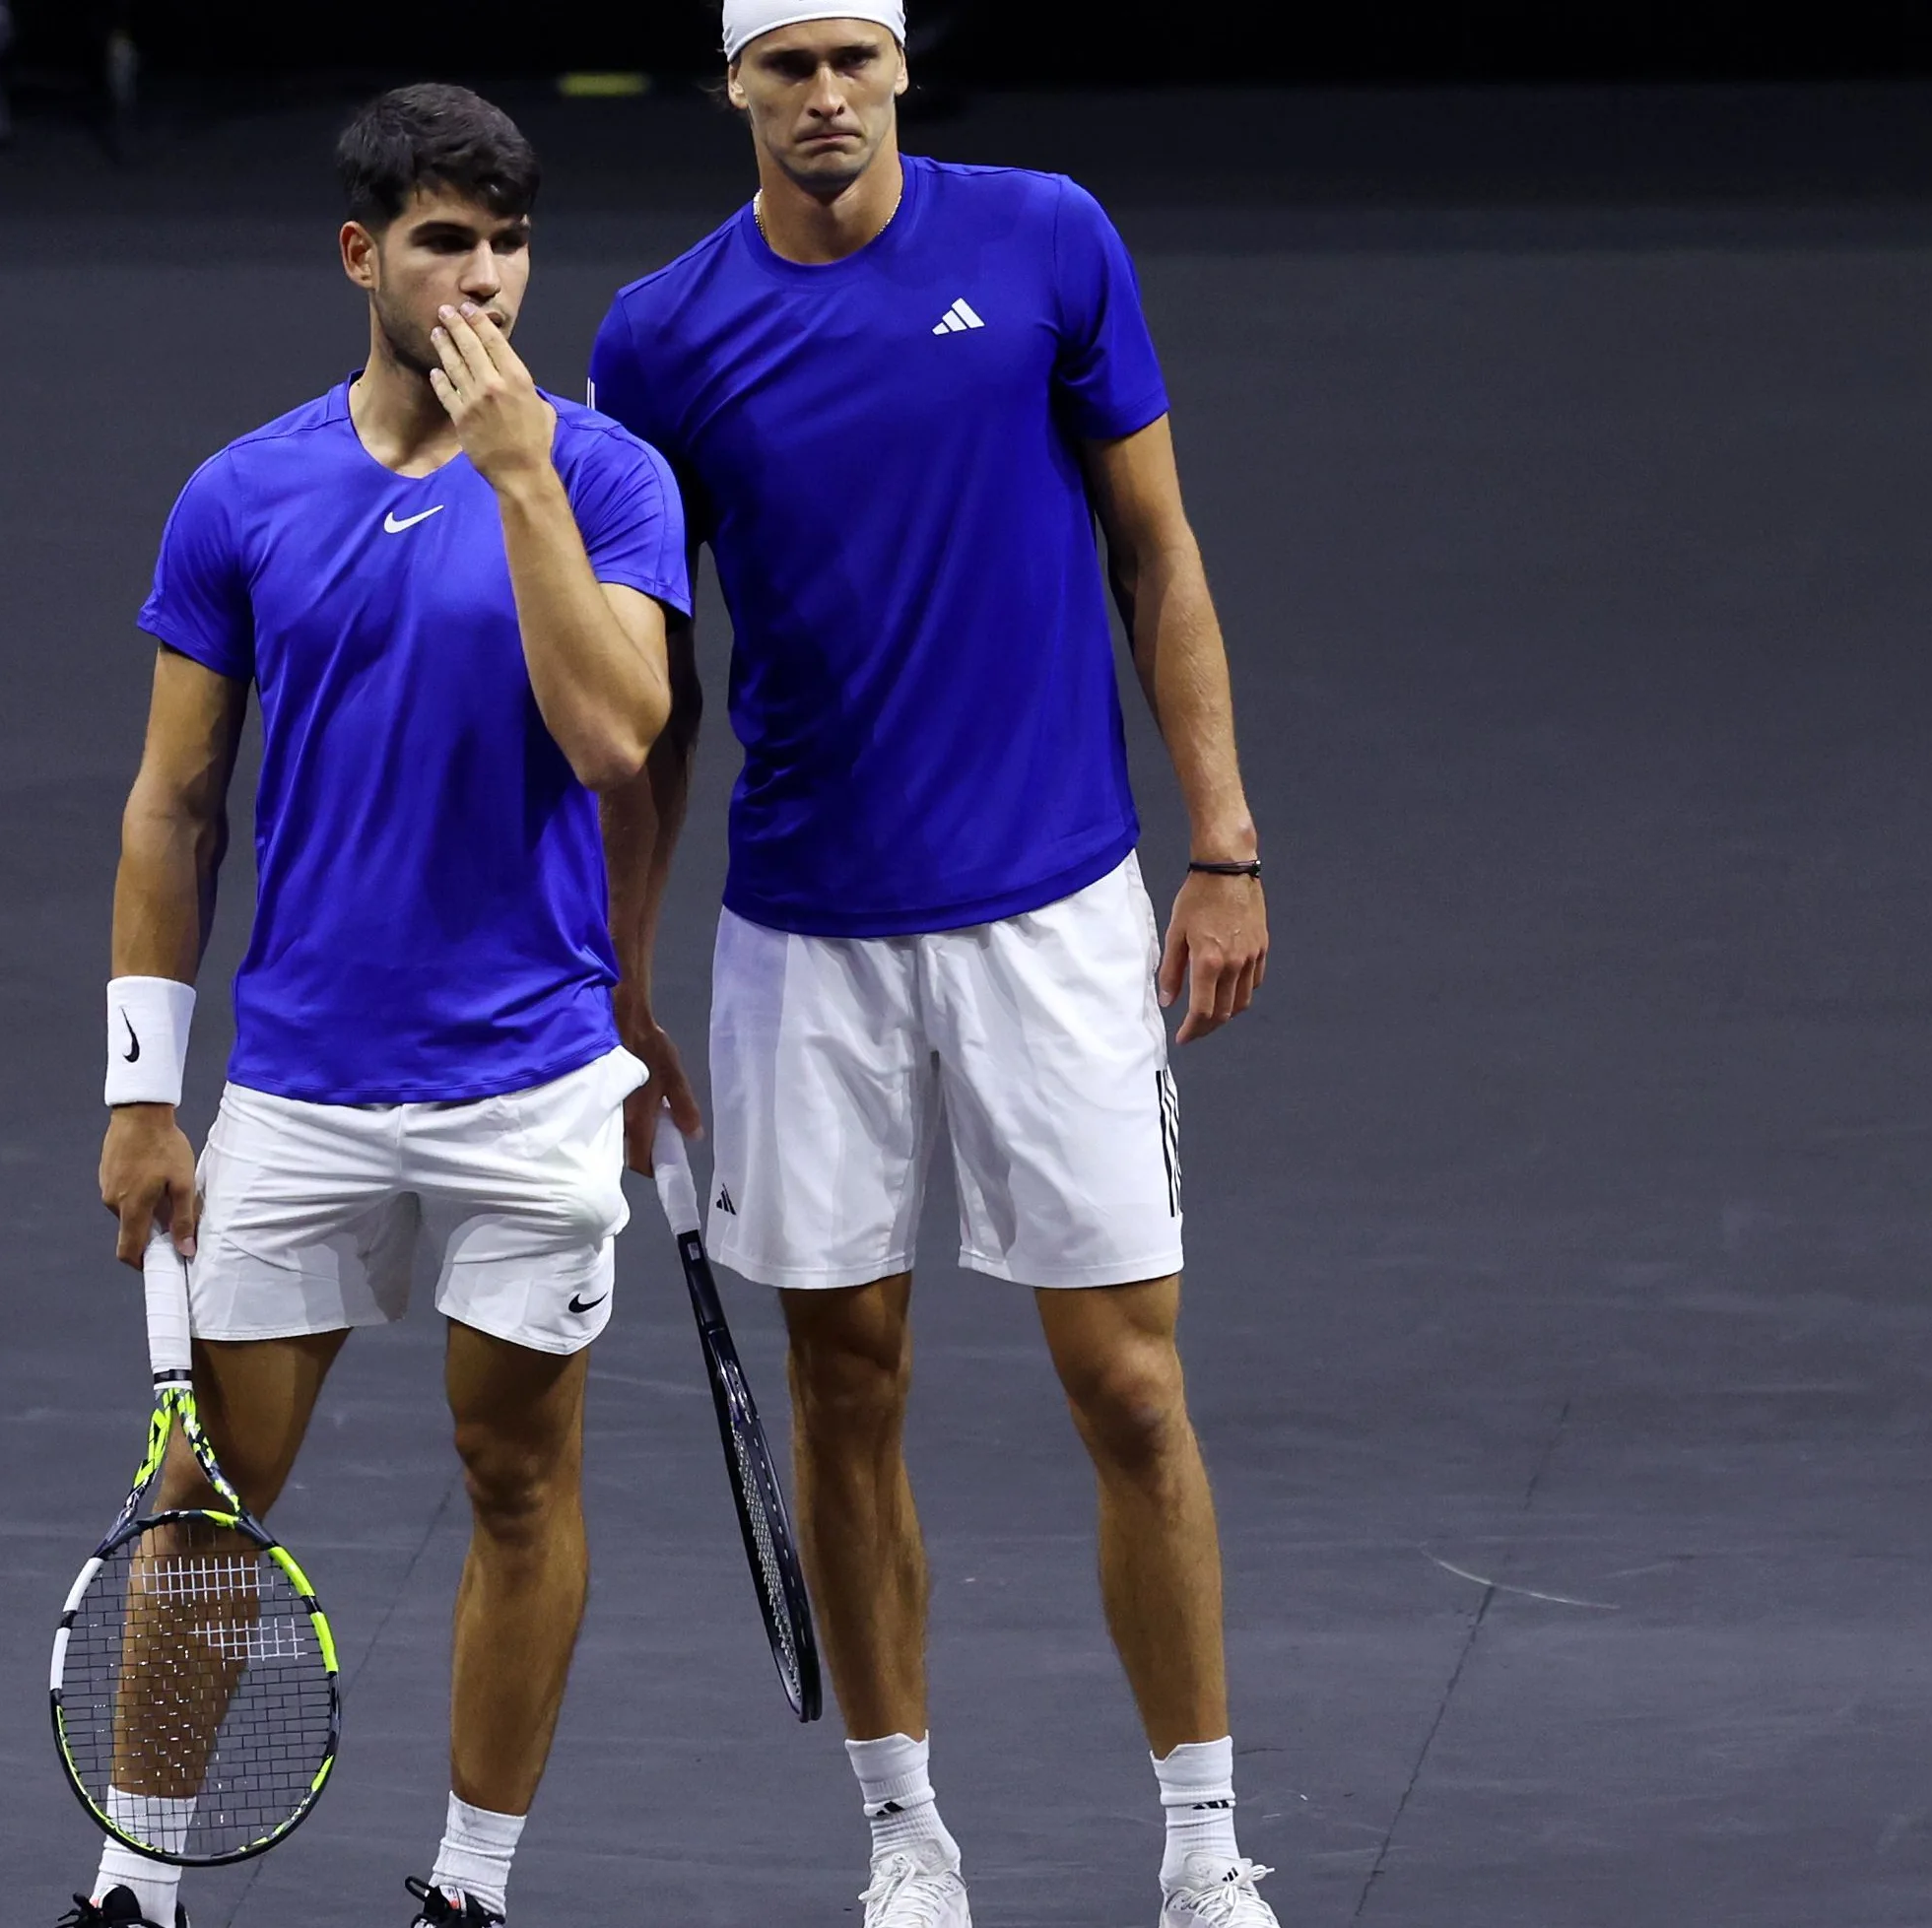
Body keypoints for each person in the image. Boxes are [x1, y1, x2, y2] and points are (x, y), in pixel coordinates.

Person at [586, 8, 1276, 1927]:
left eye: (850, 60)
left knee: (1128, 1388)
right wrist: (616, 976)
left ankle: (1203, 1852)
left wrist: (1216, 843)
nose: (821, 95)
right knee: (845, 1381)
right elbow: (652, 704)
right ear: (731, 84)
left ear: (898, 69)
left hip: (1056, 925)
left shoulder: (1047, 238)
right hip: (801, 944)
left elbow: (1157, 552)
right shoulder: (654, 339)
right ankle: (905, 1837)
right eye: (782, 64)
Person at [73, 82, 689, 1928]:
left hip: (529, 1096)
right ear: (363, 257)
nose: (481, 284)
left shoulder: (603, 477)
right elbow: (172, 807)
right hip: (305, 1095)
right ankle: (134, 1889)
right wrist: (138, 1090)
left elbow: (617, 736)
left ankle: (472, 1890)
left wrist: (515, 478)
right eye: (442, 244)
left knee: (518, 1480)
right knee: (203, 1503)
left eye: (506, 245)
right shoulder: (240, 493)